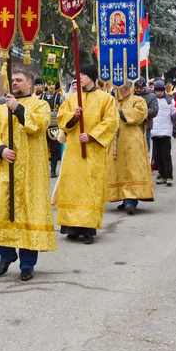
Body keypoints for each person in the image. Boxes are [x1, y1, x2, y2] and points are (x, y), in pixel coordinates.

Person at [0, 67, 56, 281]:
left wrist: (18, 109)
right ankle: (6, 256)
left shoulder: (41, 105)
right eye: (13, 80)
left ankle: (27, 264)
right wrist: (0, 149)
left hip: (30, 172)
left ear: (29, 82)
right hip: (4, 170)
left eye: (19, 80)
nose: (15, 83)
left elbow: (38, 126)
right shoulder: (0, 110)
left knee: (29, 215)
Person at [56, 64, 119, 243]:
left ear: (92, 77)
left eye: (83, 74)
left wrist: (91, 136)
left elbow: (111, 122)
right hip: (73, 152)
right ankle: (71, 227)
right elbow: (61, 118)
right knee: (72, 187)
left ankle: (89, 229)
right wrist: (74, 117)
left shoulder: (106, 99)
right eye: (79, 74)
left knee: (90, 188)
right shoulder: (72, 98)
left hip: (93, 152)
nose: (80, 77)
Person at [106, 82, 154, 215]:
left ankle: (132, 199)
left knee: (132, 168)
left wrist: (121, 112)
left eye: (124, 86)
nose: (122, 89)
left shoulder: (138, 100)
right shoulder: (113, 101)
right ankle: (124, 196)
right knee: (120, 169)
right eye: (119, 87)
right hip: (117, 141)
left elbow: (139, 115)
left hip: (133, 141)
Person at [151, 80, 176, 187]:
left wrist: (175, 128)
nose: (159, 93)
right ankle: (162, 175)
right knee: (158, 155)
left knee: (166, 154)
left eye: (161, 91)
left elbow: (174, 114)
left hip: (166, 131)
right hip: (154, 131)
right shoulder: (152, 100)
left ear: (164, 90)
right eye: (157, 91)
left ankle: (169, 176)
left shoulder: (170, 100)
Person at [40, 81, 63, 178]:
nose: (50, 86)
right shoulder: (41, 96)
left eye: (52, 84)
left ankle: (53, 169)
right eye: (48, 84)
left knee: (55, 149)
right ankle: (42, 170)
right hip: (42, 125)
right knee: (42, 148)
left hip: (55, 126)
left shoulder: (59, 96)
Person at [134, 77, 158, 149]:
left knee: (145, 150)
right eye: (137, 88)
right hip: (132, 127)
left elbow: (154, 111)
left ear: (145, 86)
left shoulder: (151, 96)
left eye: (141, 88)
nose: (138, 90)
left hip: (146, 127)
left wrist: (139, 113)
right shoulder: (131, 96)